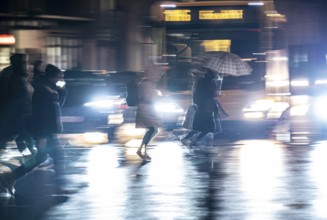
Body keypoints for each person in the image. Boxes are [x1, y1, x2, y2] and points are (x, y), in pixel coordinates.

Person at [0, 64, 67, 196]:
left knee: (40, 158)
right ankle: (59, 186)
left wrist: (63, 90)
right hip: (45, 132)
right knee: (58, 156)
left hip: (47, 131)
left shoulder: (51, 89)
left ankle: (11, 177)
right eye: (60, 77)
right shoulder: (43, 91)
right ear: (54, 76)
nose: (62, 79)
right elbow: (40, 114)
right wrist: (41, 136)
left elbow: (59, 105)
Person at [0, 53, 36, 155]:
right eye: (25, 62)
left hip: (19, 113)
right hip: (16, 113)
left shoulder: (19, 75)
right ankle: (32, 155)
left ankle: (29, 155)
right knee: (21, 134)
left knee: (20, 135)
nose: (27, 65)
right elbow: (15, 98)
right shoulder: (12, 76)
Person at [181, 68, 218, 147]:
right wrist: (214, 93)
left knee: (199, 127)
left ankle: (191, 140)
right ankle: (192, 140)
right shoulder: (208, 82)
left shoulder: (203, 81)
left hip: (203, 107)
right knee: (207, 127)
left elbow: (197, 95)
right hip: (206, 108)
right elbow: (207, 94)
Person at [135, 63, 164, 161]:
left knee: (152, 130)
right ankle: (142, 150)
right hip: (146, 109)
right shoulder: (147, 83)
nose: (158, 76)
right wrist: (158, 98)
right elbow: (147, 97)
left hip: (147, 109)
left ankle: (142, 149)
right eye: (157, 73)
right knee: (152, 129)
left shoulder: (147, 82)